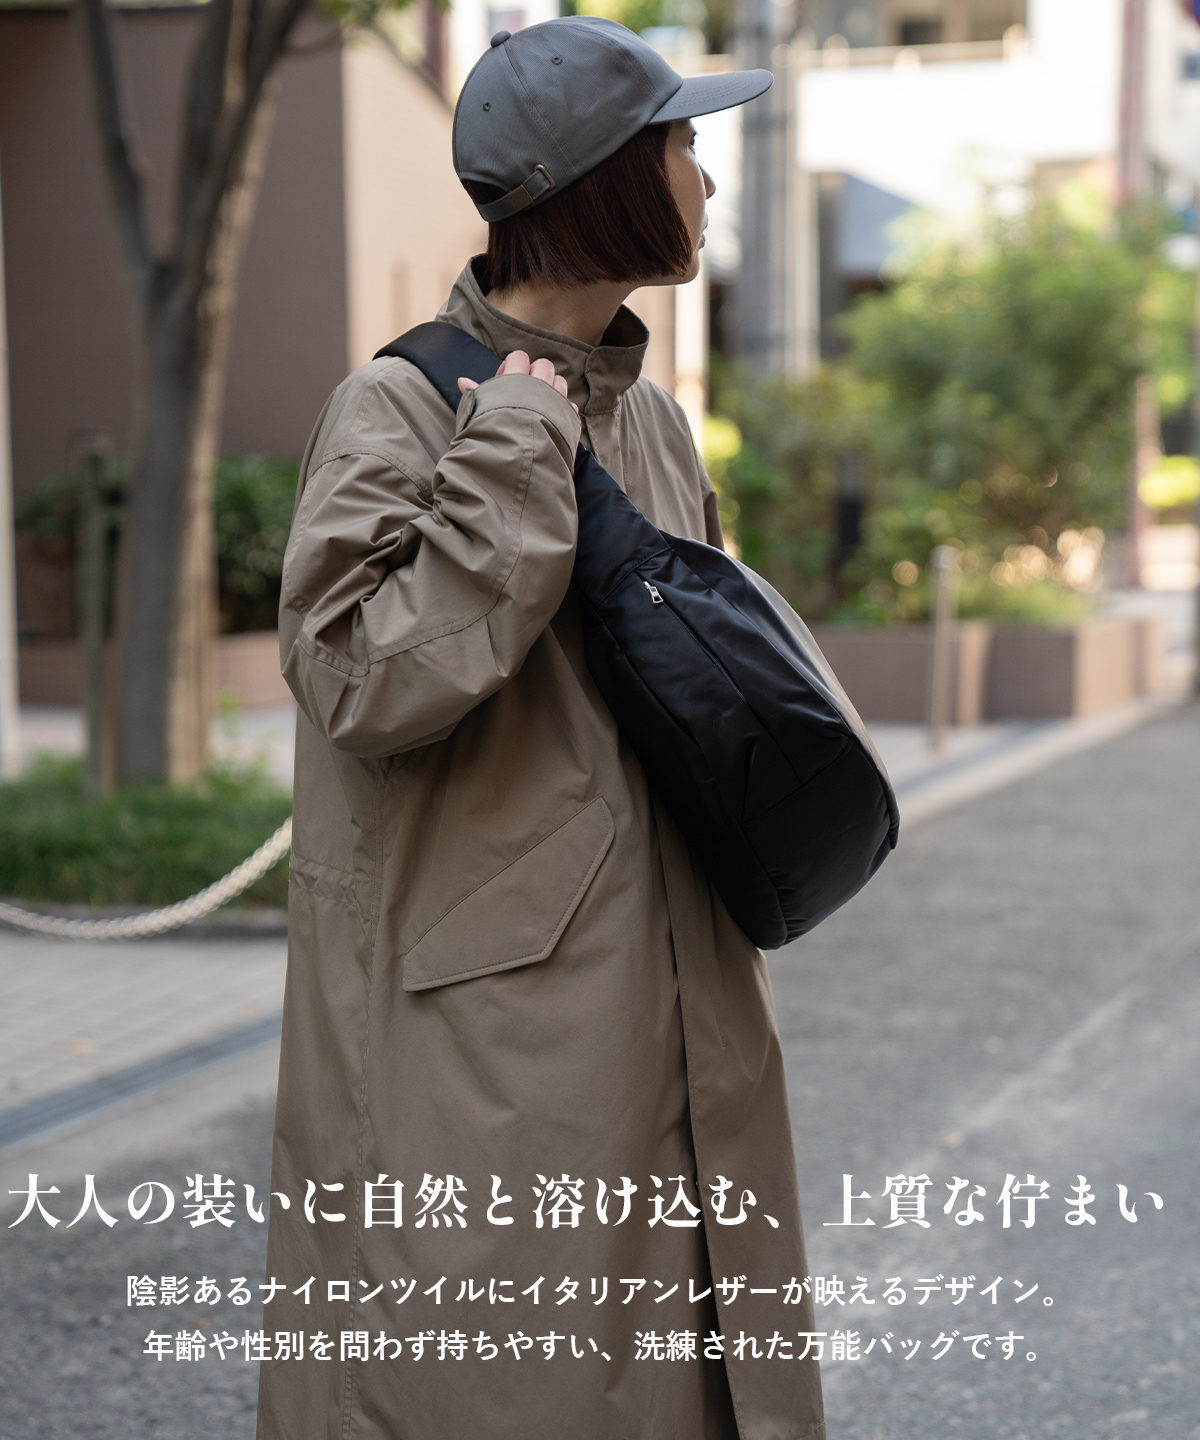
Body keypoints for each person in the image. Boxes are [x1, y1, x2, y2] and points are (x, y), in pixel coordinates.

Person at [257, 17, 825, 1440]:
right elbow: (360, 682)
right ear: (602, 182)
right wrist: (513, 452)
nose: (709, 178)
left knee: (683, 1370)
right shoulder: (398, 407)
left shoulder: (652, 421)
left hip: (670, 982)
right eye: (683, 146)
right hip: (493, 1033)